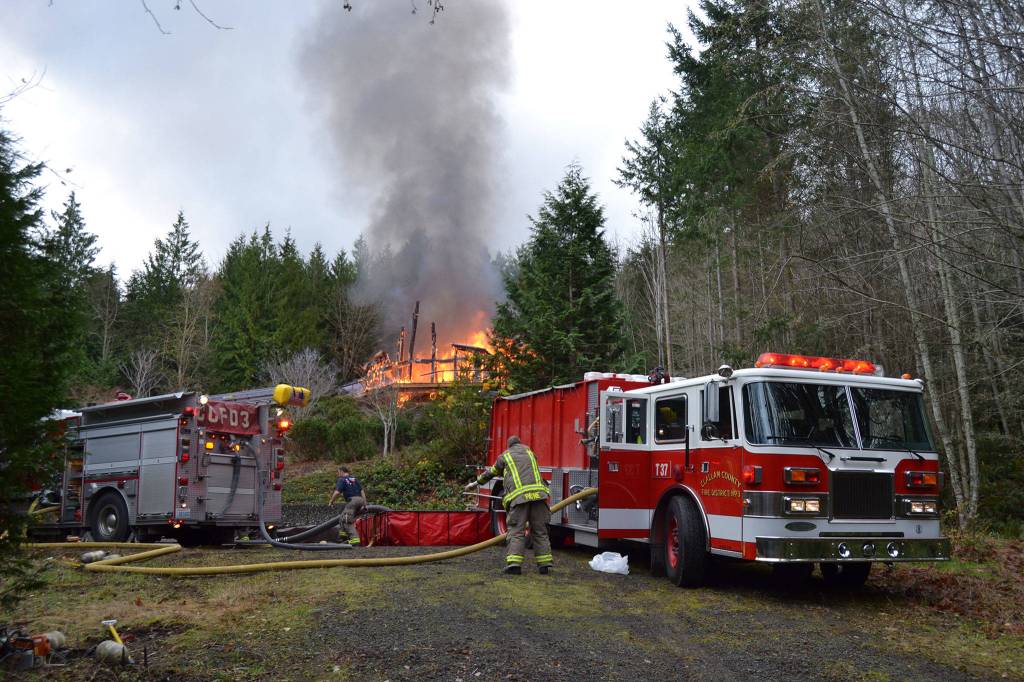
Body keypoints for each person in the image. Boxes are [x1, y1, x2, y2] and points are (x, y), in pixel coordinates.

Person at [465, 436, 552, 575]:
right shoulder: (531, 453)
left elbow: (490, 473)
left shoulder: (505, 456)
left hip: (519, 498)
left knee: (516, 530)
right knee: (540, 530)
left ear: (509, 446)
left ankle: (515, 565)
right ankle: (545, 564)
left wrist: (474, 484)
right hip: (539, 497)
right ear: (520, 444)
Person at [328, 466, 366, 546]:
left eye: (338, 472)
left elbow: (337, 492)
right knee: (342, 517)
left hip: (352, 501)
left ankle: (355, 540)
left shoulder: (342, 479)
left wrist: (331, 502)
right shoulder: (354, 479)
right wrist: (365, 504)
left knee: (346, 519)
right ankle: (343, 538)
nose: (338, 474)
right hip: (360, 500)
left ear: (342, 471)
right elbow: (362, 491)